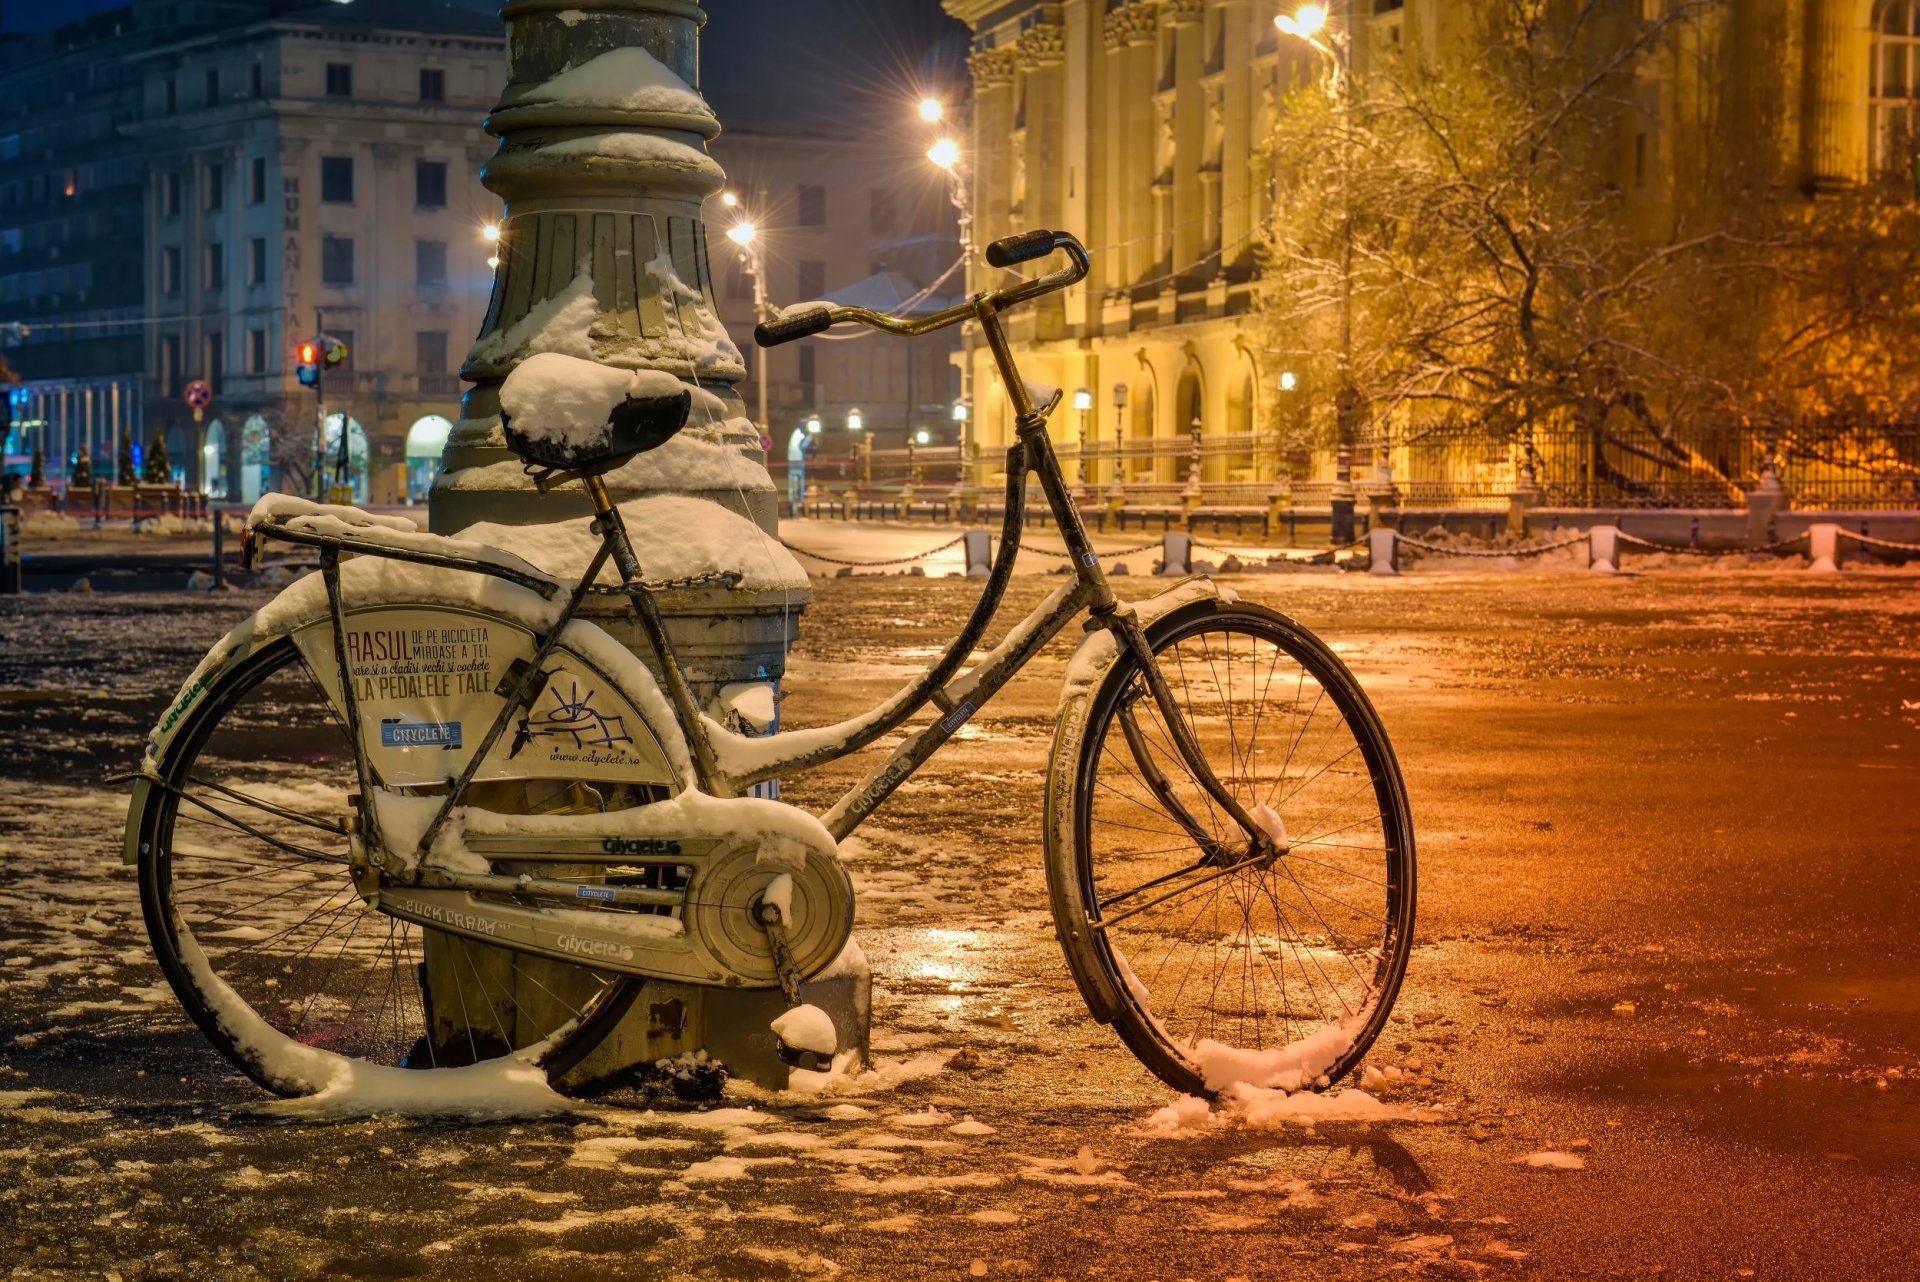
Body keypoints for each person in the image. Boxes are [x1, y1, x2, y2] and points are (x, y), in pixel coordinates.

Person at [785, 423, 817, 510]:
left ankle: (795, 505)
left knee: (795, 486)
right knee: (800, 485)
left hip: (797, 462)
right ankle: (798, 505)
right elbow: (803, 447)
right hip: (800, 462)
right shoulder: (805, 436)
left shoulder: (801, 435)